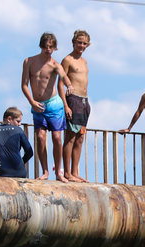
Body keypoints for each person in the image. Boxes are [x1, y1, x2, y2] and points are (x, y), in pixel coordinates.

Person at [21, 32, 75, 182]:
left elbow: (64, 76)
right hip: (38, 105)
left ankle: (59, 172)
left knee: (57, 138)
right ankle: (45, 171)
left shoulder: (55, 64)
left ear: (54, 48)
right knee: (40, 137)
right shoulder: (29, 61)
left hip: (53, 105)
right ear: (41, 46)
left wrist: (69, 85)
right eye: (45, 47)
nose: (48, 50)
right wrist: (31, 101)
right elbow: (24, 85)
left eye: (51, 47)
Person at [59, 30, 90, 183]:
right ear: (74, 42)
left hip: (84, 101)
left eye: (84, 43)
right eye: (79, 42)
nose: (82, 46)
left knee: (80, 137)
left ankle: (75, 171)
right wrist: (66, 105)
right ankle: (67, 172)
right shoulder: (67, 60)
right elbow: (60, 82)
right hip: (73, 100)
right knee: (70, 137)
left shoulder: (84, 61)